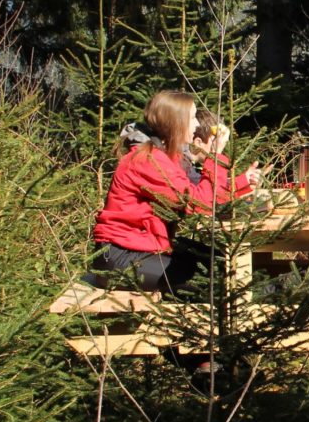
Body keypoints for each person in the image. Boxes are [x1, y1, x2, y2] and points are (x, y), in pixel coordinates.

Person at [89, 90, 259, 293]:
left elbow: (198, 191)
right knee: (217, 280)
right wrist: (215, 155)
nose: (197, 125)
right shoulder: (148, 161)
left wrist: (241, 183)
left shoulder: (165, 156)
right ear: (176, 122)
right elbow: (201, 203)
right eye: (193, 117)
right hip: (119, 259)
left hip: (143, 248)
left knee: (223, 262)